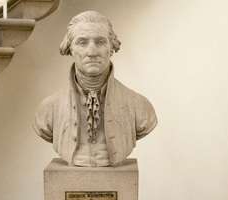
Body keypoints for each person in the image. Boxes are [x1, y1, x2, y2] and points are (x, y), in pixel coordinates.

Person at [33, 10, 157, 167]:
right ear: (70, 48)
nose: (92, 52)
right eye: (82, 42)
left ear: (111, 48)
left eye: (100, 42)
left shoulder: (139, 106)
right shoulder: (48, 109)